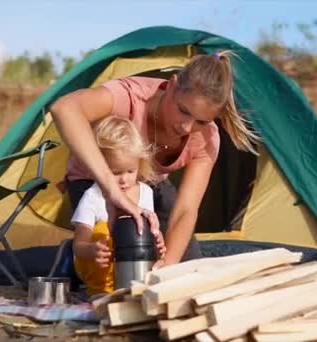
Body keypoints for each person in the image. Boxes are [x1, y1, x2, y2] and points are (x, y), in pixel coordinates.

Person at [51, 51, 259, 268]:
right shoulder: (130, 97)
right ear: (171, 85)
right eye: (183, 110)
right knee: (119, 252)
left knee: (185, 265)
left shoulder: (207, 139)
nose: (186, 127)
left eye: (201, 121)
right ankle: (72, 258)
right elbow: (64, 108)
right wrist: (111, 189)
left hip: (149, 183)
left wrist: (167, 264)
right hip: (95, 180)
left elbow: (186, 210)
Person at [71, 116, 166, 296]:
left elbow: (151, 229)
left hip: (133, 263)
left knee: (142, 228)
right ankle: (101, 291)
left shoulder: (145, 192)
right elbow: (78, 245)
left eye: (130, 171)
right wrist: (92, 250)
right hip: (96, 266)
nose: (124, 179)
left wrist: (158, 239)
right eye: (115, 173)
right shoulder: (93, 196)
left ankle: (137, 287)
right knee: (102, 231)